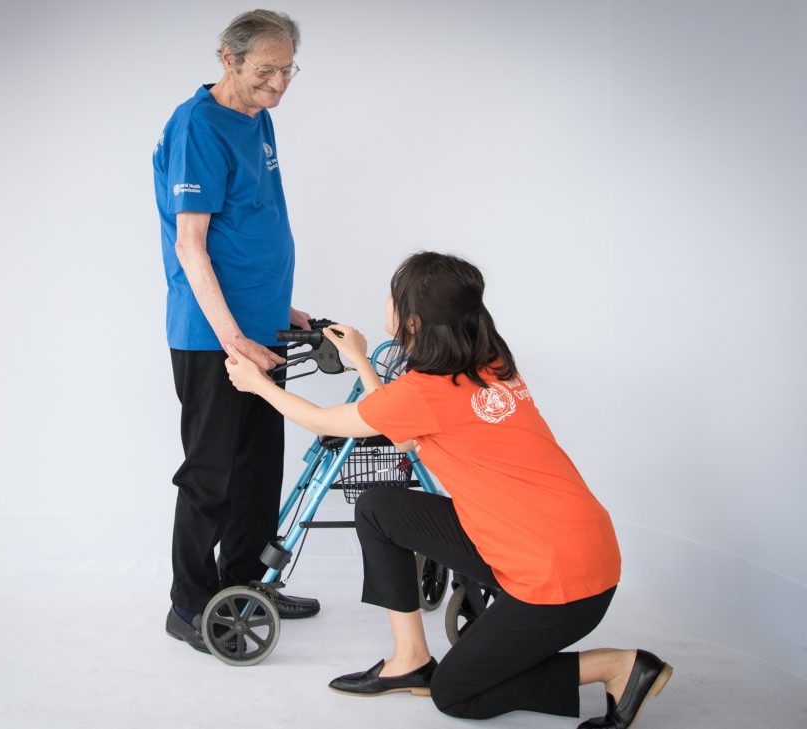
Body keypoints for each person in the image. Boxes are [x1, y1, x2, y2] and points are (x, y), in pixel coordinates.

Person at [224, 251, 672, 728]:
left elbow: (322, 420)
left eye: (393, 296)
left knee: (456, 694)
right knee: (379, 508)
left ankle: (617, 667)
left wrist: (258, 385)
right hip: (567, 546)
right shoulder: (489, 364)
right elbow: (404, 429)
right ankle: (409, 659)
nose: (386, 302)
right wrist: (360, 360)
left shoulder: (425, 391)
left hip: (559, 582)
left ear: (413, 322)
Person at [152, 9, 320, 655]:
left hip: (260, 326)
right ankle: (188, 603)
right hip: (213, 335)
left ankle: (245, 582)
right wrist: (232, 337)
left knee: (257, 467)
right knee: (211, 474)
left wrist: (285, 309)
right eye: (263, 72)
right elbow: (192, 245)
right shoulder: (197, 126)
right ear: (228, 58)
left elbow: (249, 224)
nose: (277, 86)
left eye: (286, 71)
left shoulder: (258, 117)